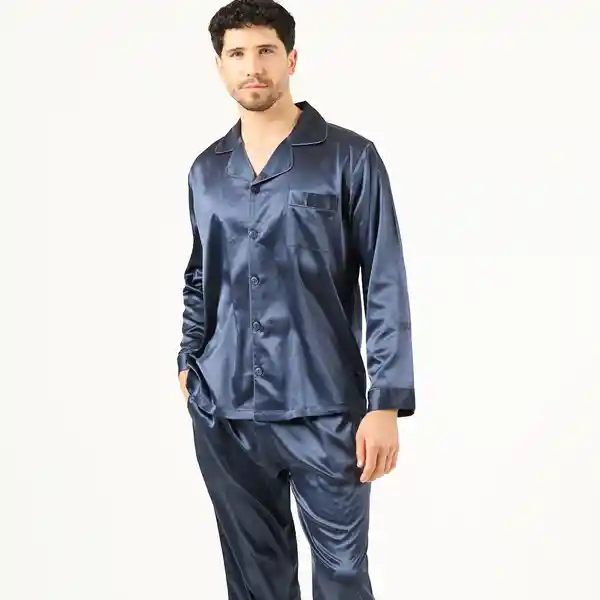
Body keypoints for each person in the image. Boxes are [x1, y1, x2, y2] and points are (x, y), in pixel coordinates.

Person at [176, 1, 416, 598]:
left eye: (265, 51)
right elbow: (201, 274)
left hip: (327, 407)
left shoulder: (350, 157)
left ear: (291, 58)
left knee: (342, 574)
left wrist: (385, 403)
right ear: (220, 66)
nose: (252, 66)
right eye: (237, 54)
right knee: (254, 581)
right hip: (227, 410)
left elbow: (384, 280)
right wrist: (188, 360)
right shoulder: (207, 170)